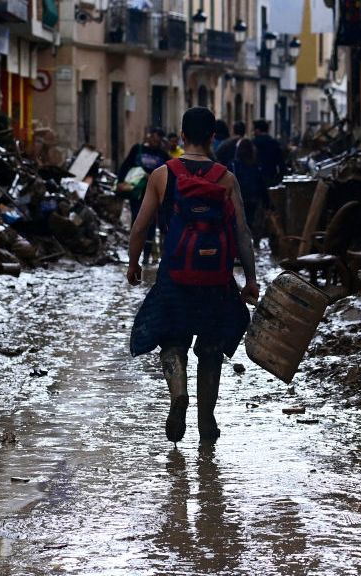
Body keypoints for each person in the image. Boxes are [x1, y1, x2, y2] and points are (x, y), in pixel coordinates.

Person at [127, 107, 260, 445]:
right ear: (213, 137)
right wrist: (250, 279)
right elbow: (242, 232)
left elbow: (140, 228)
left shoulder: (162, 174)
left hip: (175, 275)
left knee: (172, 341)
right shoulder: (226, 177)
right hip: (215, 279)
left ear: (182, 136)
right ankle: (206, 420)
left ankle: (178, 394)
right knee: (212, 347)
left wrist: (133, 264)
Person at [118, 127, 170, 263]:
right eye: (153, 138)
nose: (155, 141)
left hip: (154, 193)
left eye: (158, 139)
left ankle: (146, 256)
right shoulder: (137, 149)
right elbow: (125, 165)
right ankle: (133, 255)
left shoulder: (163, 155)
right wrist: (120, 181)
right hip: (137, 192)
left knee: (151, 223)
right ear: (149, 137)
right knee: (137, 220)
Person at [230, 138, 271, 245]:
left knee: (240, 226)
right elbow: (262, 186)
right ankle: (254, 246)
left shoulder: (233, 165)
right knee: (253, 224)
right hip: (254, 200)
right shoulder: (255, 167)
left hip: (239, 199)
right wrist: (268, 205)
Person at [252, 119, 287, 187]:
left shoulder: (253, 143)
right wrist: (278, 179)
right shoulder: (274, 143)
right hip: (271, 177)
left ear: (257, 130)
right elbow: (281, 164)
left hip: (256, 179)